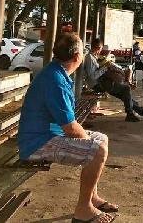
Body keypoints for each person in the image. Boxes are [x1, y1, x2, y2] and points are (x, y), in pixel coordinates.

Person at [18, 33, 118, 223]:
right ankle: (83, 211)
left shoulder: (56, 73)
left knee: (102, 139)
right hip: (37, 143)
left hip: (46, 136)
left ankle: (92, 198)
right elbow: (71, 128)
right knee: (98, 150)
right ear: (77, 57)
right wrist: (89, 144)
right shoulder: (55, 79)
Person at [84, 38, 143, 122]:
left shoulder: (93, 57)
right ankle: (130, 114)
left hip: (102, 83)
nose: (100, 51)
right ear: (98, 47)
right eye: (100, 49)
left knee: (125, 96)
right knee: (126, 89)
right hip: (97, 84)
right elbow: (92, 77)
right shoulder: (89, 58)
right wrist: (105, 67)